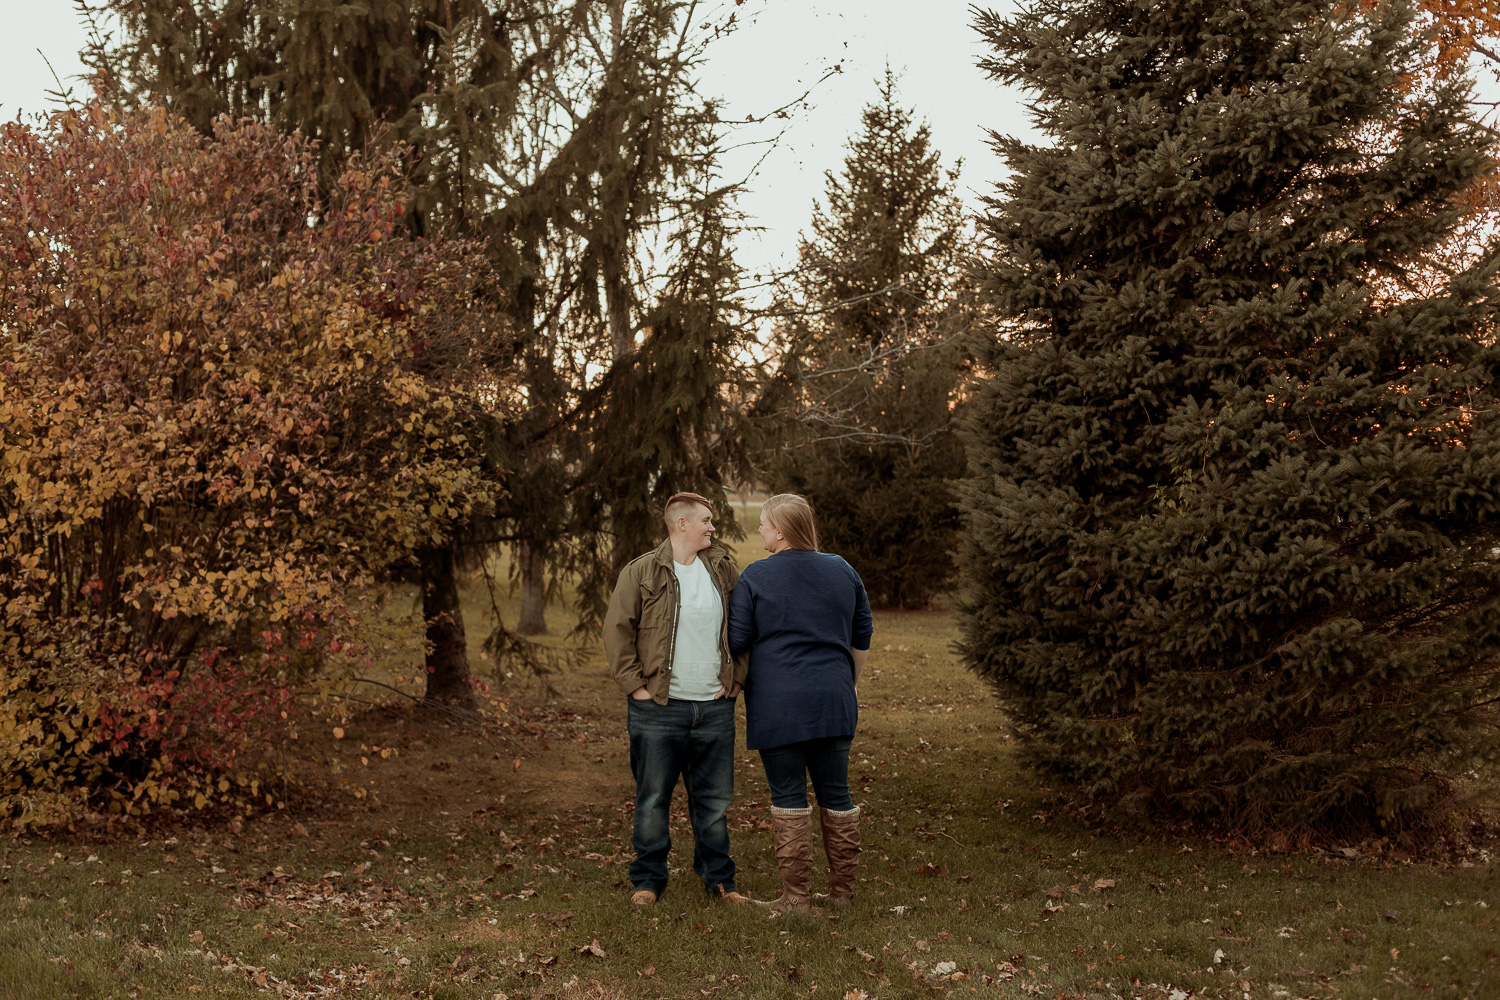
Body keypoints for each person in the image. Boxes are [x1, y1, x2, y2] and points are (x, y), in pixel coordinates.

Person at [603, 491, 754, 906]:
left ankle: (720, 882)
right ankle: (648, 881)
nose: (712, 527)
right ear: (681, 524)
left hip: (715, 708)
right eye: (706, 520)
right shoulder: (641, 572)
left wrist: (737, 681)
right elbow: (617, 630)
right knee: (653, 799)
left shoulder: (723, 569)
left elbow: (744, 628)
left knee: (714, 803)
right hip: (658, 709)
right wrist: (636, 687)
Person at [728, 493, 873, 912]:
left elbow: (738, 639)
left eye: (764, 523)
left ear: (780, 530)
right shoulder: (842, 569)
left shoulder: (757, 575)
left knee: (788, 795)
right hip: (834, 697)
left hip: (778, 701)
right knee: (837, 794)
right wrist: (849, 681)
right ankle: (842, 896)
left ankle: (796, 899)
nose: (760, 529)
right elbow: (862, 634)